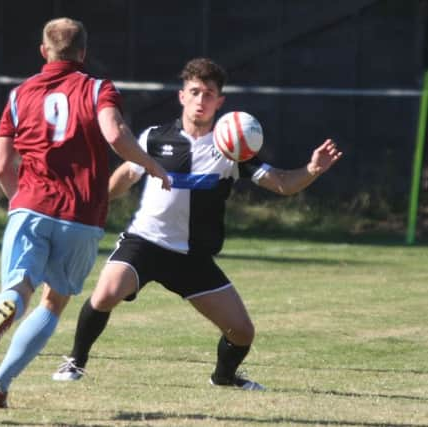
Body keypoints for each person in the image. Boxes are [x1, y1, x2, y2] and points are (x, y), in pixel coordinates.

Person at [52, 57, 343, 390]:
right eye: (195, 92)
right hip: (145, 243)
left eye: (209, 94)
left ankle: (224, 377)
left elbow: (282, 184)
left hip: (192, 258)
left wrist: (313, 169)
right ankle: (75, 361)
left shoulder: (233, 149)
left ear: (220, 101)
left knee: (242, 332)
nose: (201, 100)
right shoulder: (153, 138)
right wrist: (93, 201)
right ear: (182, 96)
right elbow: (124, 176)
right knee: (105, 294)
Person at [0, 17, 170, 408]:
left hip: (31, 204)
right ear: (83, 53)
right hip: (80, 215)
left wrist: (20, 201)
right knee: (53, 303)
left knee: (20, 287)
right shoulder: (98, 89)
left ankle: (8, 302)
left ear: (44, 51)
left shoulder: (18, 95)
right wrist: (152, 165)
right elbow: (115, 135)